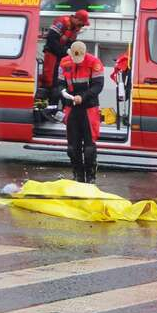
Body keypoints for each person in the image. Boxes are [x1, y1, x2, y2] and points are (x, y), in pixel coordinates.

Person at [58, 41, 104, 184]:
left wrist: (82, 97)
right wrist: (62, 92)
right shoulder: (64, 62)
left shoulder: (94, 63)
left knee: (89, 148)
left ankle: (90, 178)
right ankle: (78, 175)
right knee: (72, 147)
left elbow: (98, 86)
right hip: (71, 108)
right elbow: (60, 83)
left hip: (89, 108)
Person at [42, 10, 89, 104]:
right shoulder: (62, 22)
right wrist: (65, 51)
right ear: (76, 19)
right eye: (80, 25)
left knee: (61, 82)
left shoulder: (74, 30)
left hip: (62, 58)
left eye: (82, 26)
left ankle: (57, 107)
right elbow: (51, 40)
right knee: (50, 81)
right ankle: (49, 107)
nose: (80, 27)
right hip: (52, 55)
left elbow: (70, 44)